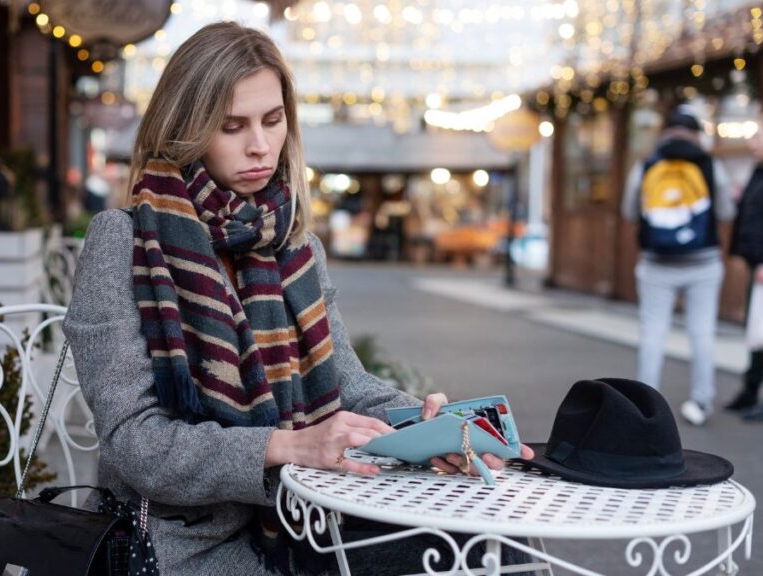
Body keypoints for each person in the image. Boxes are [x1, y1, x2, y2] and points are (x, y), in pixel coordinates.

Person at [63, 22, 533, 576]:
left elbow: (350, 388)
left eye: (272, 119)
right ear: (186, 128)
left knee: (490, 545)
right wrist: (288, 447)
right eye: (231, 126)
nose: (259, 145)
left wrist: (428, 429)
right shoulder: (123, 239)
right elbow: (132, 442)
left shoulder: (294, 244)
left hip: (302, 513)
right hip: (180, 542)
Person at [621, 107, 736, 426]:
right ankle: (701, 401)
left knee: (653, 333)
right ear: (696, 133)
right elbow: (725, 211)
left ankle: (647, 406)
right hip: (704, 261)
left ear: (665, 131)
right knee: (702, 332)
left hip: (657, 263)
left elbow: (630, 210)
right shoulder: (710, 164)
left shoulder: (646, 164)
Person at [727, 111, 763, 421]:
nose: (751, 142)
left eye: (758, 136)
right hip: (758, 261)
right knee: (757, 331)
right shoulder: (761, 172)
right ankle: (752, 387)